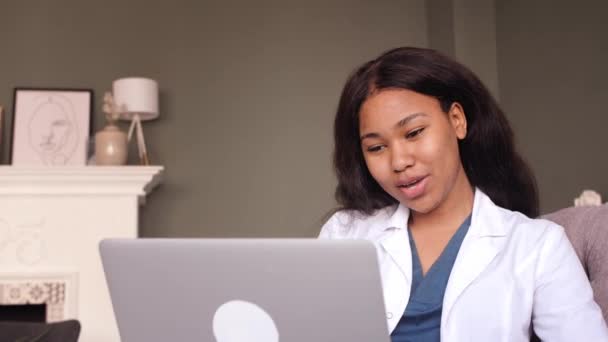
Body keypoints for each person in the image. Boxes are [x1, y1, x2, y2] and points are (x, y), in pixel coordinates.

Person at [319, 47, 608, 341]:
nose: (399, 162)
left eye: (414, 132)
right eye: (376, 147)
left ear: (457, 120)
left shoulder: (539, 246)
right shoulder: (345, 233)